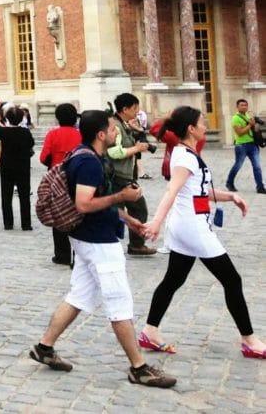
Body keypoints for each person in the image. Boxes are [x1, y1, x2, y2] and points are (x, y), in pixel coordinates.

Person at [28, 110, 176, 388]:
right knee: (119, 303)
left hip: (89, 238)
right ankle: (139, 367)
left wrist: (128, 218)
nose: (115, 132)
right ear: (100, 134)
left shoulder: (87, 156)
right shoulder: (89, 163)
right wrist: (123, 196)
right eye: (111, 129)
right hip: (98, 243)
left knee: (79, 296)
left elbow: (100, 199)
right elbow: (84, 203)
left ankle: (44, 347)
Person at [139, 105, 266, 359]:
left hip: (189, 225)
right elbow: (172, 191)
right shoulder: (185, 157)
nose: (206, 126)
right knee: (232, 280)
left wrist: (230, 196)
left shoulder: (186, 152)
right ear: (191, 128)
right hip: (193, 228)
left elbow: (198, 191)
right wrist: (155, 222)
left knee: (174, 279)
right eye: (202, 122)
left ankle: (150, 331)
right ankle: (249, 340)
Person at [107, 93, 156, 256]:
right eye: (135, 108)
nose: (137, 111)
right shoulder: (116, 126)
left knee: (135, 209)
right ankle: (113, 245)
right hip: (117, 176)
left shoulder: (124, 124)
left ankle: (135, 244)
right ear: (125, 109)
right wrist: (136, 149)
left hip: (126, 175)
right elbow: (113, 151)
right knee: (119, 213)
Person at [40, 104, 82, 265]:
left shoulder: (53, 134)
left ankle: (62, 255)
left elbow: (44, 157)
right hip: (77, 178)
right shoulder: (80, 134)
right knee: (78, 215)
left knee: (58, 215)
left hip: (57, 179)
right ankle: (77, 253)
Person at [0, 105, 35, 230]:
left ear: (7, 118)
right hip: (23, 166)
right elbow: (31, 144)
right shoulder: (25, 132)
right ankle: (26, 224)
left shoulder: (3, 131)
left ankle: (8, 223)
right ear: (22, 118)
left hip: (7, 166)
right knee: (24, 195)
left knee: (6, 195)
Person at [225, 98, 265, 194]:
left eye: (245, 105)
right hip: (241, 146)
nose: (244, 107)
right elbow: (239, 133)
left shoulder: (248, 115)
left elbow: (253, 129)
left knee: (257, 166)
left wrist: (255, 126)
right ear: (237, 107)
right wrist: (250, 125)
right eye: (242, 105)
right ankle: (229, 182)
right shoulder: (235, 118)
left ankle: (260, 187)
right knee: (238, 165)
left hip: (252, 145)